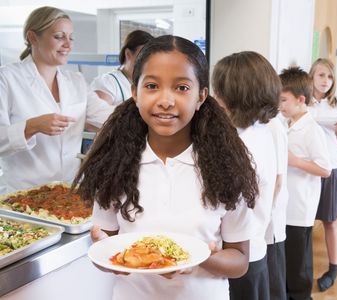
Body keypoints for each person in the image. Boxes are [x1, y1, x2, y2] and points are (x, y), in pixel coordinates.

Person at [73, 35, 259, 300]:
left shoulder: (225, 168)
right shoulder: (114, 166)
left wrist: (199, 258)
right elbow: (104, 252)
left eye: (182, 88)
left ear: (201, 96)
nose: (166, 100)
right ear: (135, 92)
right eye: (151, 86)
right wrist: (105, 253)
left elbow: (239, 260)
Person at [0, 6, 113, 193]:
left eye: (71, 37)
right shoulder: (6, 78)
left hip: (68, 191)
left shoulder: (76, 81)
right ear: (32, 37)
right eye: (59, 37)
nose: (68, 44)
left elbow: (108, 117)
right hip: (21, 193)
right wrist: (32, 126)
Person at [212, 51, 279, 300]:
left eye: (218, 92)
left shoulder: (241, 145)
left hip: (238, 256)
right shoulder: (262, 131)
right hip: (254, 250)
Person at [279, 66, 331, 300]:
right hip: (285, 205)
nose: (280, 105)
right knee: (287, 260)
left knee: (299, 264)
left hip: (300, 207)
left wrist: (295, 161)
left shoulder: (312, 130)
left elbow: (325, 169)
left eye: (284, 100)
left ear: (301, 100)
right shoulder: (285, 123)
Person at [308, 58, 337, 291]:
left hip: (330, 168)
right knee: (303, 223)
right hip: (306, 168)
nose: (325, 81)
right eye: (321, 75)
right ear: (312, 76)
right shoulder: (304, 102)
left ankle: (333, 267)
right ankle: (301, 267)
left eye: (330, 77)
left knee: (330, 220)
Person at [90, 30, 153, 105]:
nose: (147, 62)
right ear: (128, 54)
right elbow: (99, 114)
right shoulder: (108, 82)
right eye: (143, 56)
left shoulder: (148, 83)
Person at [264, 113, 289, 300]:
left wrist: (264, 216)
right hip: (257, 217)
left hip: (269, 218)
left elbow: (278, 179)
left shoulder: (273, 126)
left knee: (273, 276)